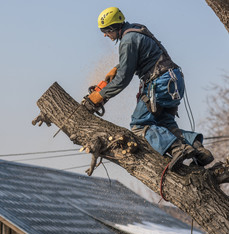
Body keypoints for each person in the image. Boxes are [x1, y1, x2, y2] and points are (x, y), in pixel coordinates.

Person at [85, 7, 213, 171]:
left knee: (139, 125)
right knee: (163, 124)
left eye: (105, 31)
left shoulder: (127, 41)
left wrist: (99, 96)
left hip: (160, 83)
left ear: (112, 28)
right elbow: (137, 59)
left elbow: (123, 79)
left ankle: (176, 148)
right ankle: (199, 149)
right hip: (174, 80)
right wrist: (117, 68)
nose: (105, 35)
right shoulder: (137, 29)